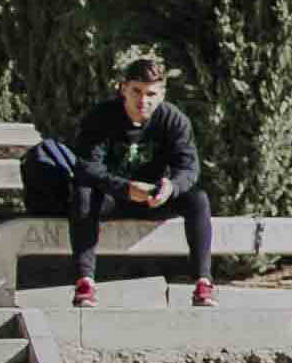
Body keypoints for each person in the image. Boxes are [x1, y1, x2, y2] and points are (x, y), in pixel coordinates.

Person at [60, 57, 217, 309]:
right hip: (111, 197)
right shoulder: (101, 117)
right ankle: (85, 282)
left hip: (153, 198)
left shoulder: (174, 120)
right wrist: (125, 188)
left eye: (151, 93)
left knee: (198, 199)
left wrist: (171, 187)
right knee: (83, 193)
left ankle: (203, 283)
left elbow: (189, 168)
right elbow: (87, 168)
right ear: (124, 88)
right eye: (136, 91)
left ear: (162, 94)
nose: (143, 100)